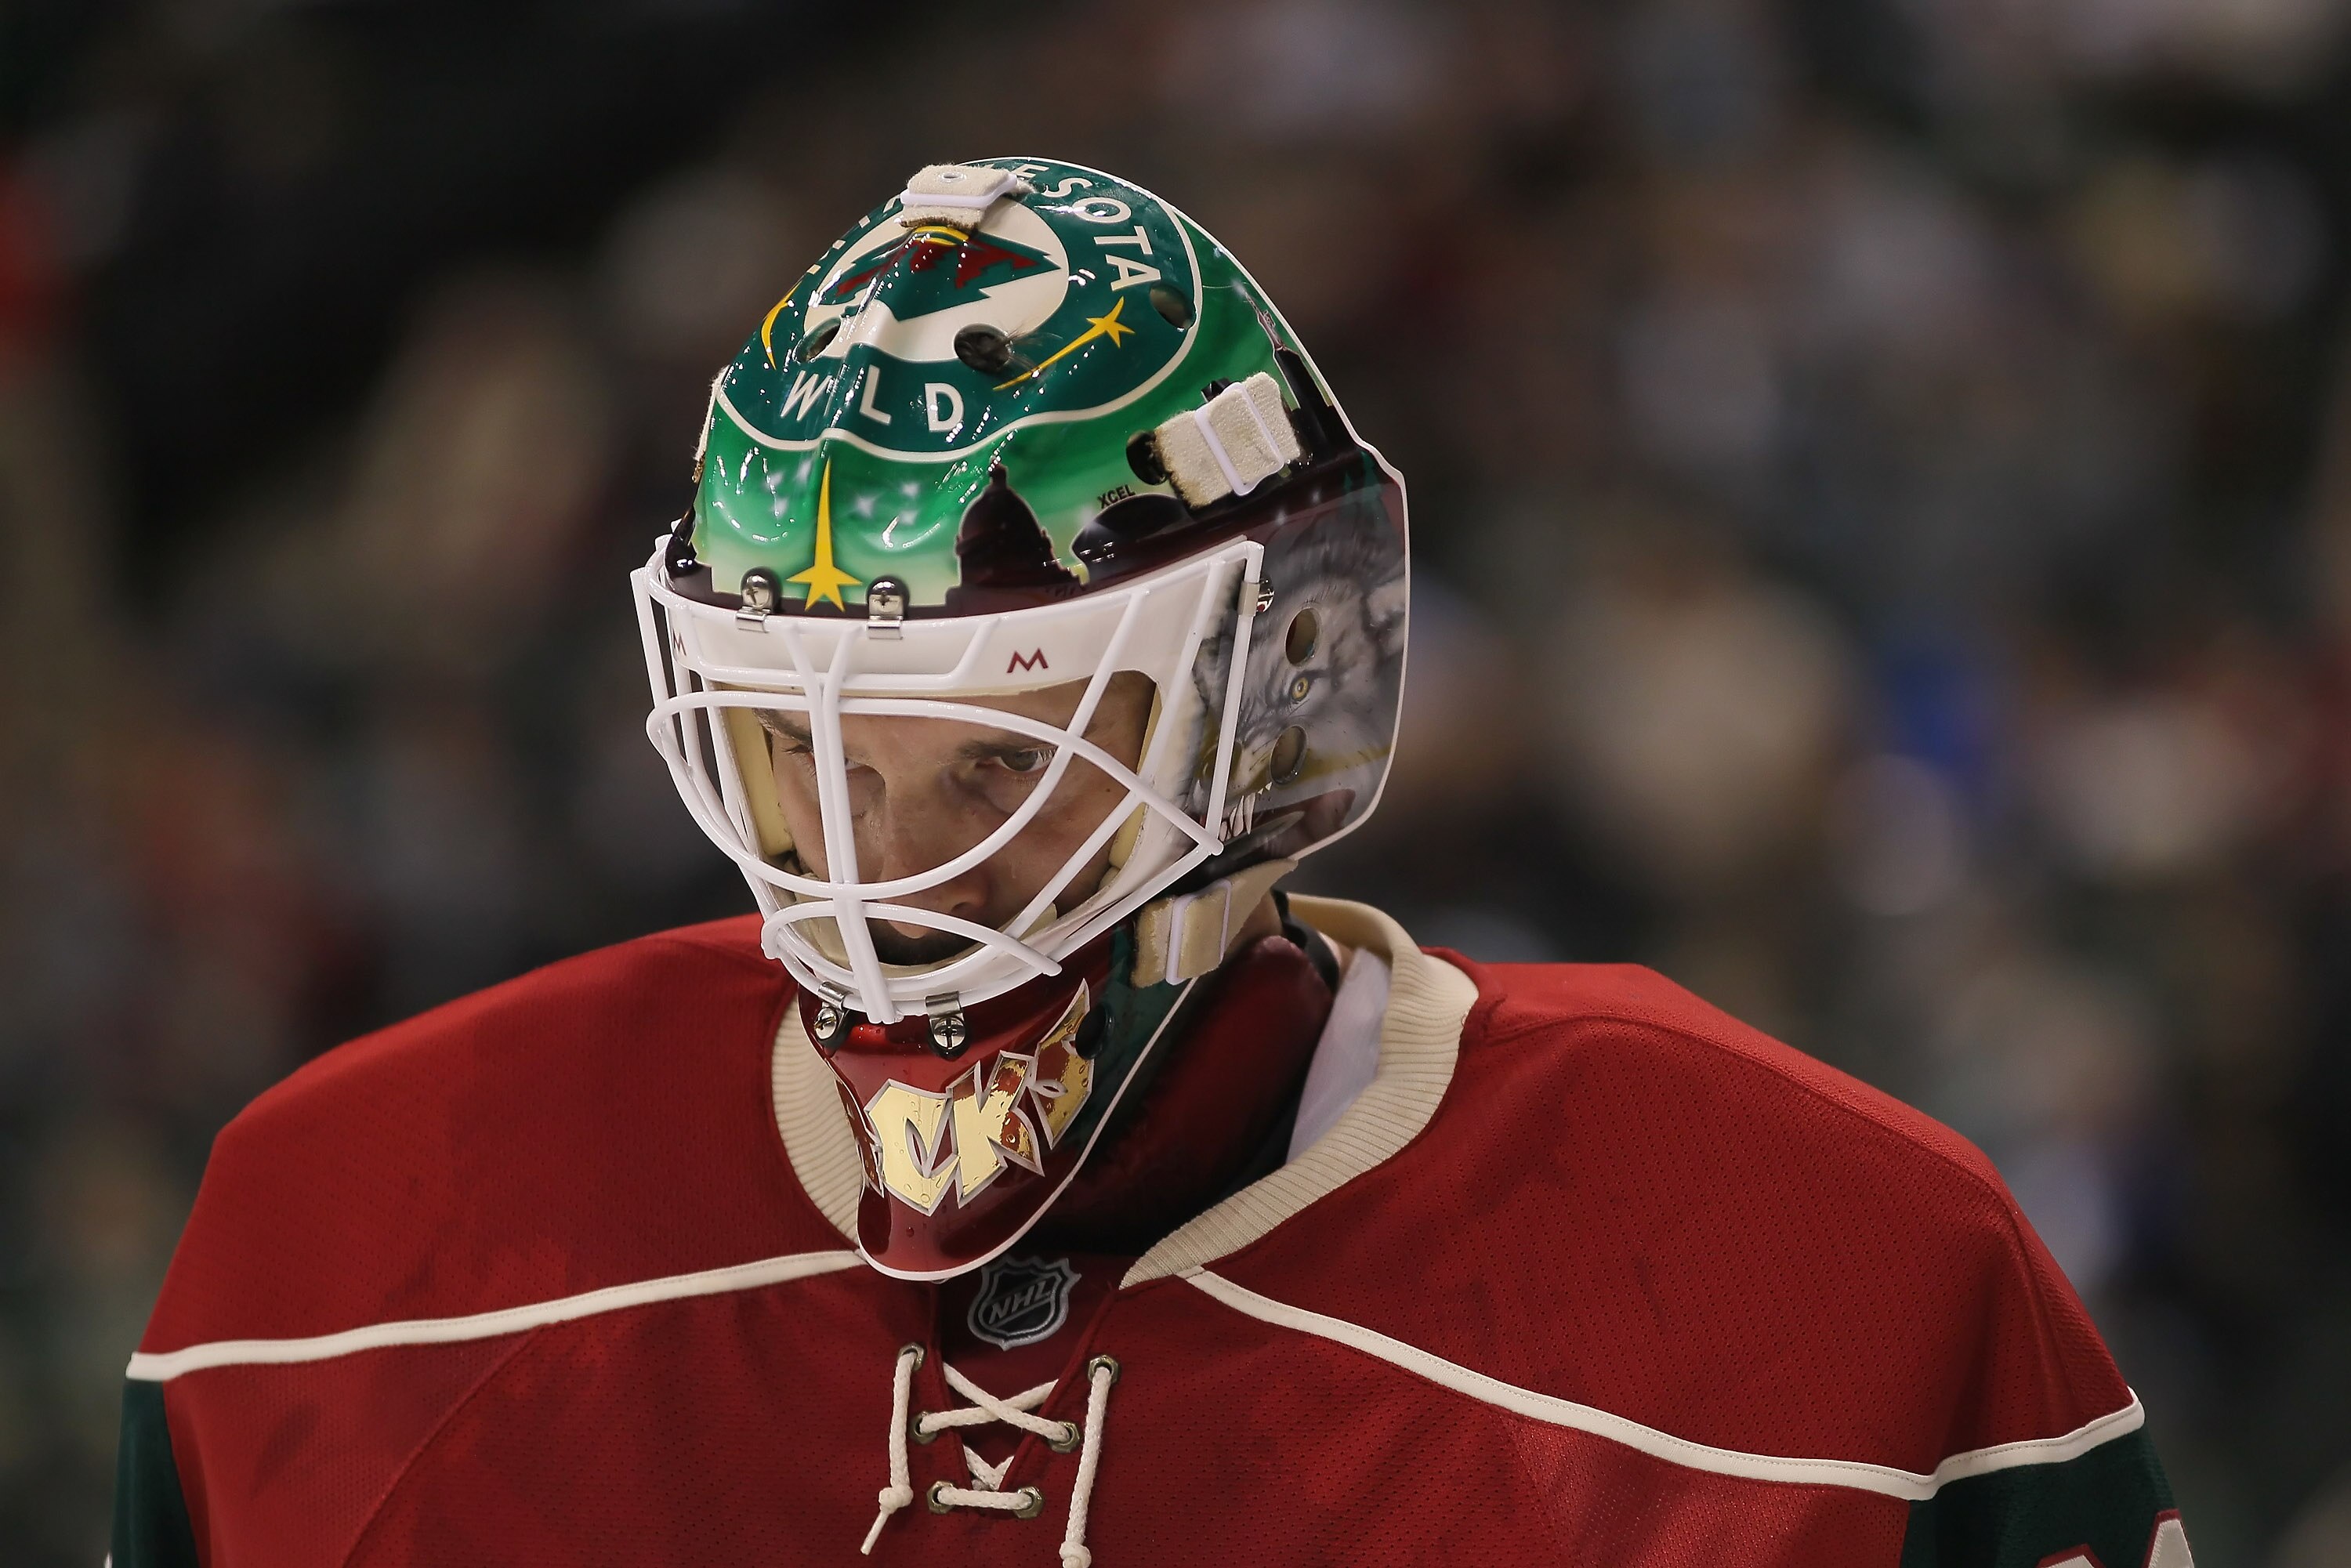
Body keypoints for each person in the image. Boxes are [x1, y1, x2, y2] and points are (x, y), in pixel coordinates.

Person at [112, 159, 2192, 1568]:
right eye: (792, 754)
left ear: (1281, 695)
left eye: (994, 764)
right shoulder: (328, 1282)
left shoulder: (1830, 1298)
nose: (882, 887)